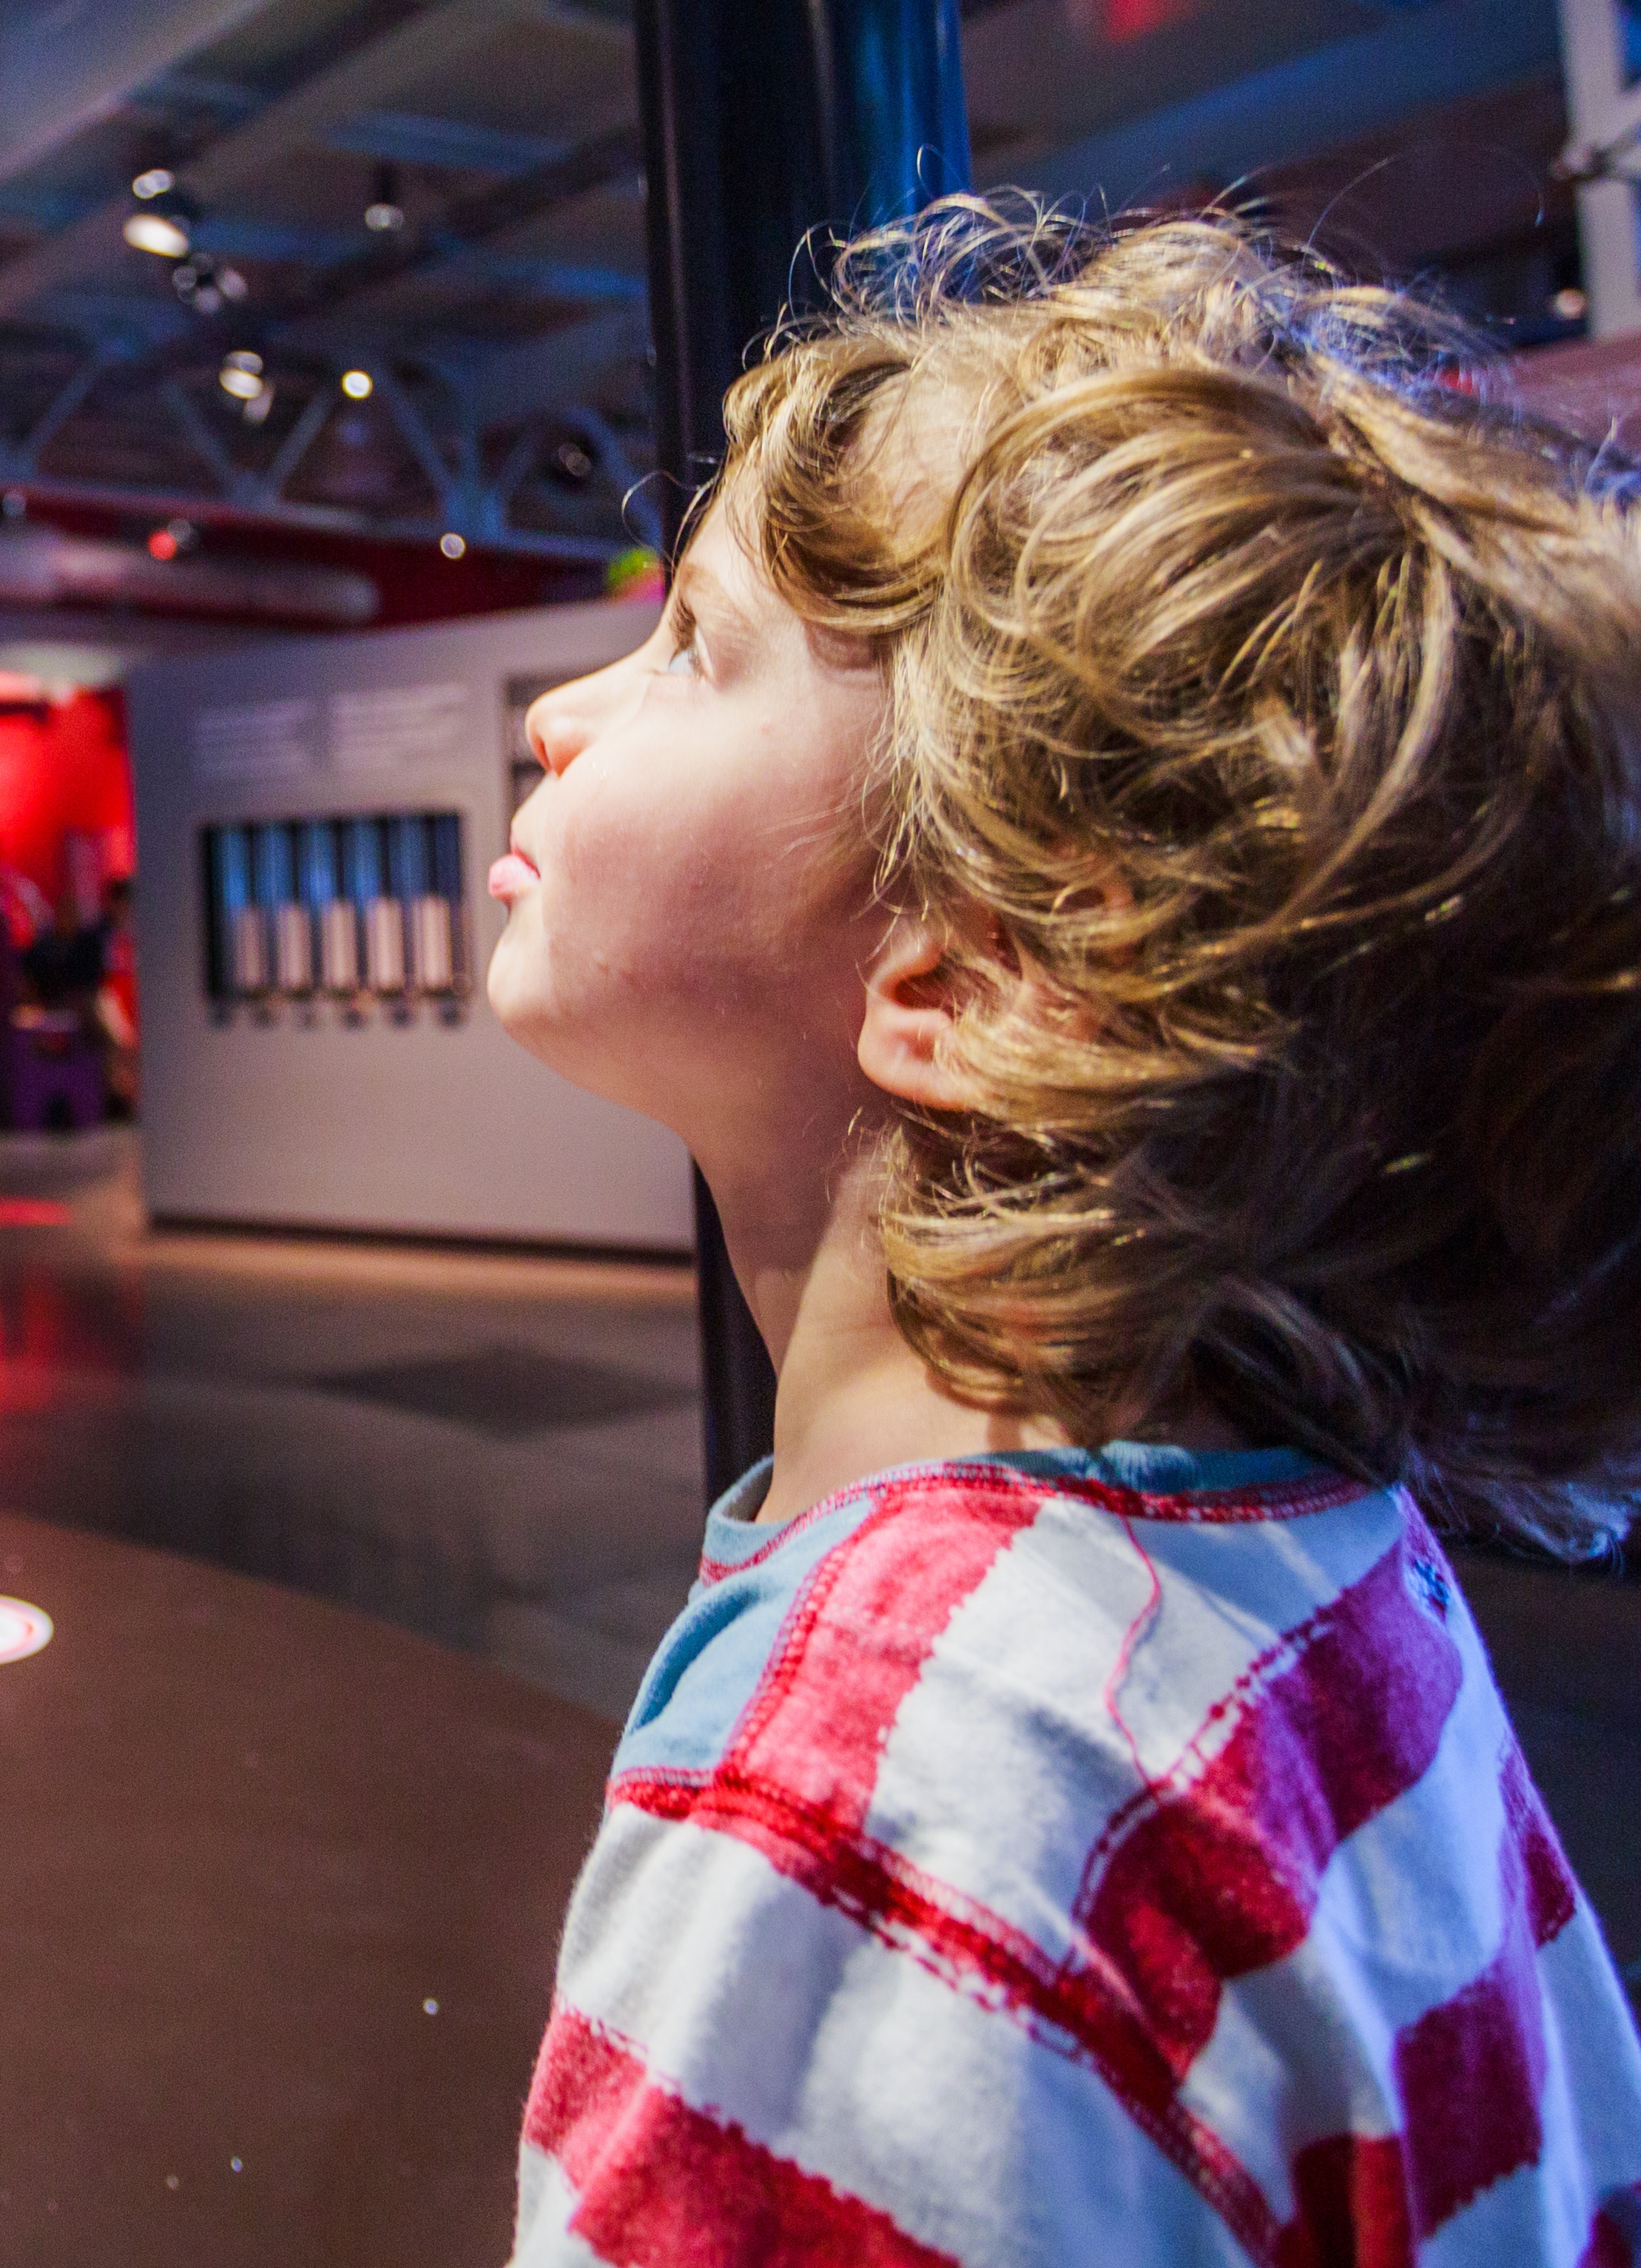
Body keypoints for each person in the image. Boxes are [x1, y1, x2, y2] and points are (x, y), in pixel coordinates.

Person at [490, 205, 1641, 2259]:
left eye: (693, 650)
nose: (562, 712)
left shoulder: (880, 1799)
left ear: (979, 967)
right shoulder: (1312, 1559)